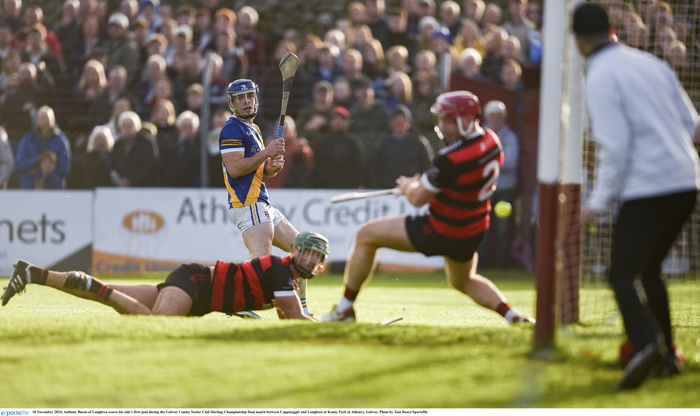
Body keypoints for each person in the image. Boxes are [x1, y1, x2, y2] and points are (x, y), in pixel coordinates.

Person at [322, 91, 534, 326]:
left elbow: (418, 199)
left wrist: (408, 186)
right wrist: (427, 183)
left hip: (443, 229)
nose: (441, 126)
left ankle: (344, 308)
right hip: (473, 230)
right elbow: (458, 180)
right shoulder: (492, 141)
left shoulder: (450, 157)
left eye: (447, 120)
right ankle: (512, 315)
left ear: (465, 120)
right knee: (464, 281)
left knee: (366, 235)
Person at [573, 4, 700, 390]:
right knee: (648, 271)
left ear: (576, 40)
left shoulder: (597, 75)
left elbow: (614, 145)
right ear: (613, 29)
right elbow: (693, 125)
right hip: (687, 181)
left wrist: (597, 201)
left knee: (622, 273)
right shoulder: (651, 63)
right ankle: (667, 357)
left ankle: (646, 345)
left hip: (650, 186)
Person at [2, 231, 329, 321]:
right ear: (296, 251)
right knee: (156, 321)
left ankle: (32, 274)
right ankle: (94, 285)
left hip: (197, 291)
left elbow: (289, 318)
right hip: (196, 284)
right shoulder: (281, 271)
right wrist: (329, 326)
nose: (311, 259)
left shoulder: (288, 275)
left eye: (317, 256)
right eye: (308, 252)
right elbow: (296, 316)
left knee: (121, 293)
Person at [219, 79, 313, 316]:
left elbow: (261, 170)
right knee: (260, 259)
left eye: (249, 96)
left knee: (301, 250)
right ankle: (233, 300)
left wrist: (274, 166)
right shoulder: (232, 129)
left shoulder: (255, 129)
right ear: (232, 103)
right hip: (247, 203)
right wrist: (267, 152)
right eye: (240, 98)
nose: (246, 101)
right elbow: (235, 169)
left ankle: (301, 311)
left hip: (263, 203)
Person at [15, 106, 72, 189]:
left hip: (55, 189)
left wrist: (49, 171)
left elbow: (65, 167)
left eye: (47, 119)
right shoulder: (27, 140)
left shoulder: (61, 141)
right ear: (36, 120)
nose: (45, 122)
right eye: (42, 119)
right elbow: (19, 164)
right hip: (29, 188)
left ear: (53, 120)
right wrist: (38, 160)